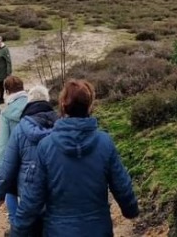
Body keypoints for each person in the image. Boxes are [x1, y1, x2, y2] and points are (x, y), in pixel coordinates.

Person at [13, 79, 139, 236]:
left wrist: (19, 230)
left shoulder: (46, 146)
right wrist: (131, 209)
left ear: (63, 106)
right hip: (98, 229)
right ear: (89, 105)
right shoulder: (104, 143)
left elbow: (33, 196)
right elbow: (121, 184)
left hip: (58, 230)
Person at [0, 84, 57, 237]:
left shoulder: (21, 128)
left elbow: (8, 165)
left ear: (29, 102)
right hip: (55, 189)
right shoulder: (60, 124)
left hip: (28, 191)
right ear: (47, 100)